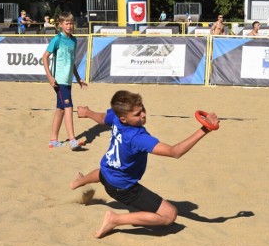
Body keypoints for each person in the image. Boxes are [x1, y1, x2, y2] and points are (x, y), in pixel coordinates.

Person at [70, 90, 220, 238]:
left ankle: (79, 182)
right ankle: (115, 219)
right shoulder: (137, 137)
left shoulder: (116, 117)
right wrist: (205, 129)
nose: (143, 115)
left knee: (105, 171)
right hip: (123, 188)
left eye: (142, 110)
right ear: (123, 118)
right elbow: (175, 152)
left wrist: (88, 113)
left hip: (108, 170)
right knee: (169, 214)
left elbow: (103, 118)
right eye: (137, 114)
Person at [42, 12, 87, 150]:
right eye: (66, 23)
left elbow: (72, 62)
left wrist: (78, 78)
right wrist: (50, 77)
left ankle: (53, 140)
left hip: (67, 80)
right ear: (60, 25)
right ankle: (72, 140)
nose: (69, 26)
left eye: (71, 23)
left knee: (60, 109)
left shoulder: (74, 40)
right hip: (59, 80)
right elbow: (44, 58)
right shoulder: (57, 39)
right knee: (69, 107)